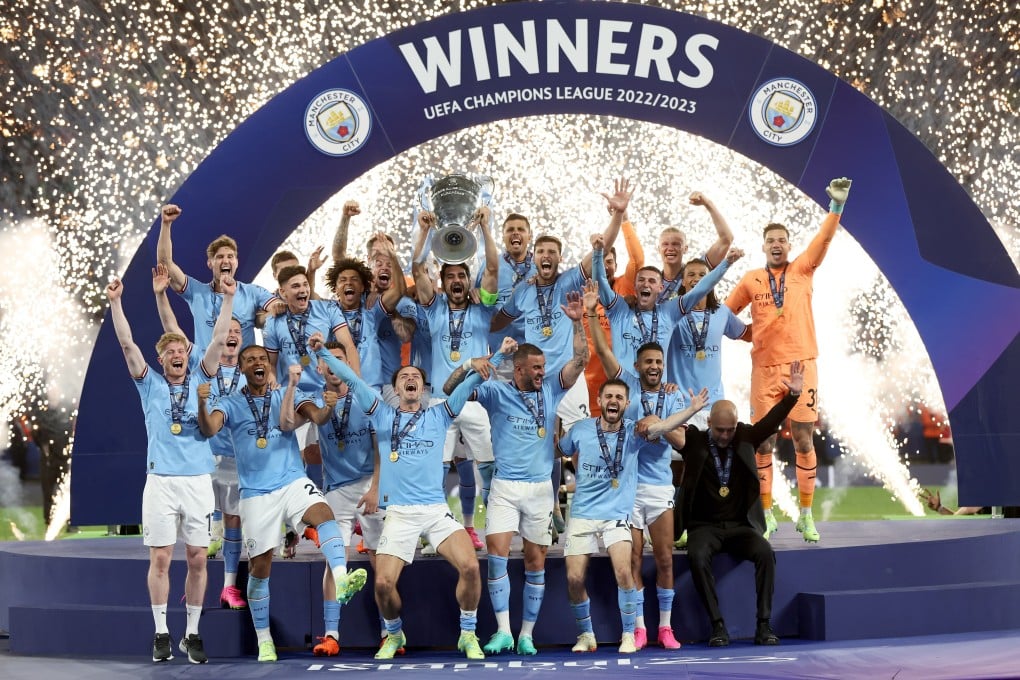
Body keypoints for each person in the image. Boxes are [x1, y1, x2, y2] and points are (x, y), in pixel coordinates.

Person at [308, 332, 491, 661]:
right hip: (400, 513)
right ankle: (393, 633)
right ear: (395, 389)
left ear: (422, 388)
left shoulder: (438, 414)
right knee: (383, 584)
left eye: (416, 377)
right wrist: (326, 353)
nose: (411, 379)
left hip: (435, 510)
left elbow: (465, 388)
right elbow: (350, 377)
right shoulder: (381, 413)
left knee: (471, 568)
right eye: (404, 376)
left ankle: (468, 633)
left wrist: (492, 362)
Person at [197, 347, 369, 663]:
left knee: (323, 513)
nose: (258, 363)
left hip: (291, 481)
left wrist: (328, 407)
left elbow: (316, 416)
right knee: (260, 568)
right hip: (257, 495)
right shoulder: (230, 403)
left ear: (268, 365)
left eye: (262, 359)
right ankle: (265, 640)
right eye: (250, 360)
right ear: (243, 369)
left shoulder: (285, 395)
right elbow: (209, 428)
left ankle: (342, 578)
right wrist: (200, 402)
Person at [443, 293, 589, 656]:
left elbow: (581, 360)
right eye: (536, 368)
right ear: (519, 369)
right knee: (497, 558)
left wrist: (576, 321)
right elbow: (449, 391)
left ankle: (526, 634)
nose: (543, 372)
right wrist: (470, 367)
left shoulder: (553, 388)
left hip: (541, 489)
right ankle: (504, 631)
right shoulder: (494, 391)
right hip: (505, 488)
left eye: (543, 366)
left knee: (535, 562)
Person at [106, 272, 235, 664]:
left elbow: (217, 340)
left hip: (198, 481)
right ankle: (162, 632)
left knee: (197, 557)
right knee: (160, 559)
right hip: (160, 481)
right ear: (161, 359)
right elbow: (127, 343)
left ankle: (192, 634)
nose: (177, 355)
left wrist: (228, 298)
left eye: (181, 349)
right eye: (170, 352)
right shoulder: (150, 385)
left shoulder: (202, 377)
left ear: (187, 356)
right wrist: (116, 302)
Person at [725, 178, 852, 543]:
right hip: (764, 371)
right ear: (762, 247)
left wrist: (836, 208)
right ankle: (766, 514)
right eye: (770, 241)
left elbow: (824, 241)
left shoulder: (802, 270)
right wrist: (751, 334)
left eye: (782, 240)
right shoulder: (751, 280)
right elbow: (727, 316)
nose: (776, 245)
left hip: (802, 366)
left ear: (788, 246)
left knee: (802, 439)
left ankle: (807, 515)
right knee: (762, 442)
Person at [558, 379, 708, 654]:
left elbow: (664, 426)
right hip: (583, 514)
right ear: (600, 401)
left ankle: (629, 633)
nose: (613, 401)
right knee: (574, 579)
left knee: (624, 570)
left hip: (616, 514)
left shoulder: (635, 433)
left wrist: (692, 409)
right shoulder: (580, 430)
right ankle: (586, 634)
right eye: (608, 396)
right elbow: (560, 449)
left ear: (627, 405)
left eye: (619, 397)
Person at [583, 279, 686, 650]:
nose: (655, 367)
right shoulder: (626, 385)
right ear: (638, 365)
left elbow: (683, 441)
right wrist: (593, 311)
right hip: (628, 488)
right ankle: (640, 627)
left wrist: (657, 426)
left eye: (659, 361)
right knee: (634, 562)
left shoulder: (674, 396)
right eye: (649, 362)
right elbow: (604, 351)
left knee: (665, 560)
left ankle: (666, 627)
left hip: (659, 487)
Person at [672, 361, 805, 647]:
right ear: (709, 423)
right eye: (720, 430)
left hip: (739, 526)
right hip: (703, 527)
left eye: (730, 430)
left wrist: (792, 396)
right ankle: (717, 626)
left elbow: (770, 422)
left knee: (765, 553)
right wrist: (687, 410)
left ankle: (764, 625)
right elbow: (665, 430)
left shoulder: (744, 435)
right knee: (696, 557)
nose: (725, 436)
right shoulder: (694, 440)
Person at [152, 263, 248, 609]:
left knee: (233, 521)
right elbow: (171, 329)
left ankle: (229, 585)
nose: (232, 334)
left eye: (238, 330)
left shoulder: (251, 372)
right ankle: (195, 584)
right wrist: (162, 294)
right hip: (204, 460)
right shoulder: (200, 366)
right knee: (204, 527)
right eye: (228, 329)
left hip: (238, 461)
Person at [413, 205, 500, 549]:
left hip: (478, 399)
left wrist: (487, 229)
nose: (456, 281)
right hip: (441, 401)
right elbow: (418, 268)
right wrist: (423, 233)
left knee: (489, 465)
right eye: (449, 277)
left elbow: (493, 267)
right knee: (436, 467)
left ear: (468, 279)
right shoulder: (433, 307)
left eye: (461, 276)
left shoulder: (483, 307)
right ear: (443, 282)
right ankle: (435, 533)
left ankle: (495, 527)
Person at [305, 341, 386, 656]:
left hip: (369, 484)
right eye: (330, 361)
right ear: (321, 367)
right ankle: (331, 634)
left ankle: (390, 631)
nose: (335, 366)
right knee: (334, 561)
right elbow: (310, 448)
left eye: (341, 359)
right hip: (336, 488)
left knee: (381, 559)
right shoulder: (313, 401)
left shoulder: (368, 398)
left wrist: (376, 487)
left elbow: (382, 449)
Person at [591, 235, 741, 381]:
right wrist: (597, 252)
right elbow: (601, 282)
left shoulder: (669, 312)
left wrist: (726, 263)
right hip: (623, 395)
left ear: (660, 287)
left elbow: (700, 289)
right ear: (635, 286)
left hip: (658, 398)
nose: (646, 284)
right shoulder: (619, 309)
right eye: (641, 280)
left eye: (651, 281)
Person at [155, 204, 275, 352]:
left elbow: (278, 311)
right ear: (210, 263)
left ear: (236, 263)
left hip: (243, 373)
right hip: (208, 372)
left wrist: (264, 318)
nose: (225, 261)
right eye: (219, 257)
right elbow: (165, 264)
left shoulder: (253, 293)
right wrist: (166, 224)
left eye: (230, 257)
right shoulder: (196, 292)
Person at [263, 264, 361, 390]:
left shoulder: (328, 309)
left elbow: (348, 346)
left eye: (305, 284)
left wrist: (357, 382)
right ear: (282, 292)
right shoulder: (272, 320)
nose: (303, 290)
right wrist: (272, 384)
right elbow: (271, 364)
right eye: (296, 286)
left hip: (328, 388)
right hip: (292, 391)